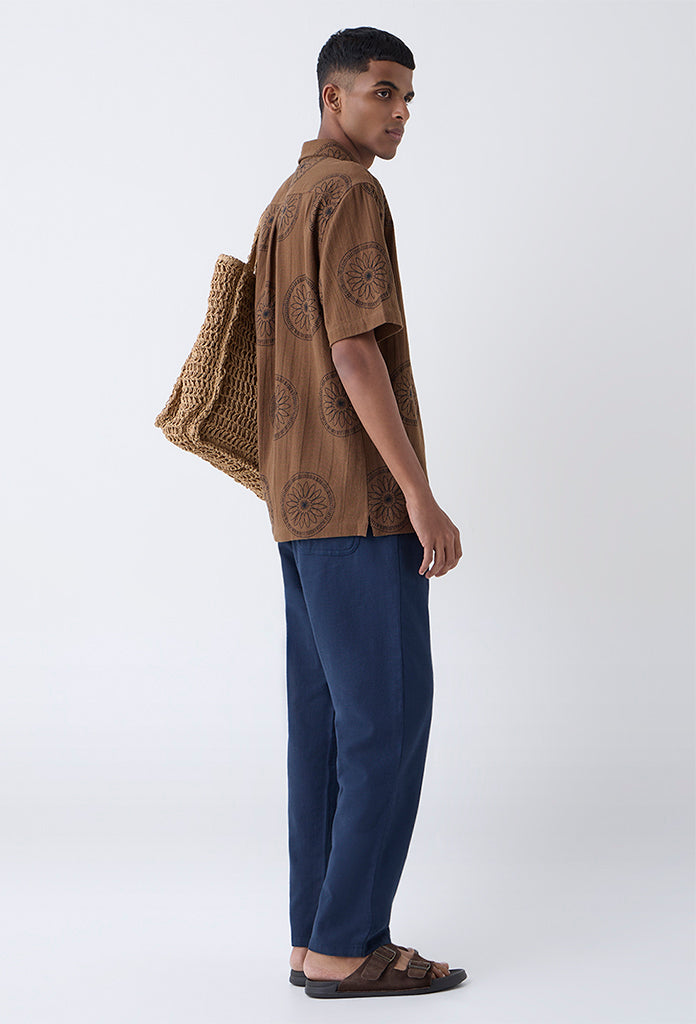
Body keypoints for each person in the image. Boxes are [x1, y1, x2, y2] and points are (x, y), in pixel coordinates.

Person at [253, 26, 466, 999]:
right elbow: (351, 349)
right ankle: (348, 945)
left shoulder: (286, 199)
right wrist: (419, 494)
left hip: (298, 507)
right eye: (384, 91)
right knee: (387, 723)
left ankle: (315, 940)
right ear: (332, 96)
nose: (401, 112)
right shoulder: (351, 193)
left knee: (325, 732)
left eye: (408, 96)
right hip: (362, 505)